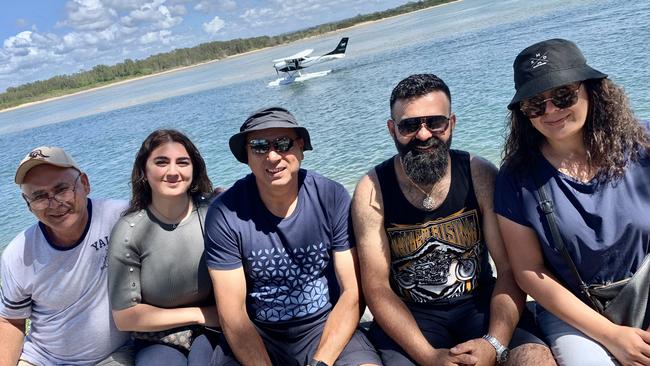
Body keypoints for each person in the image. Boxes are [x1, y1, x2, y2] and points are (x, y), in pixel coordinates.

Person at [351, 74, 555, 366]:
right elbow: (377, 288)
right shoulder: (372, 190)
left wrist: (493, 344)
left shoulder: (479, 174)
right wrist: (428, 356)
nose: (423, 135)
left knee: (535, 358)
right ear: (392, 130)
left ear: (451, 124)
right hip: (412, 317)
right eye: (409, 125)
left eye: (435, 122)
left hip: (480, 305)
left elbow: (509, 268)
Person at [495, 38, 650, 366]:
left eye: (563, 95)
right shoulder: (517, 178)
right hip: (575, 309)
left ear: (592, 90)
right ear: (524, 113)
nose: (551, 111)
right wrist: (612, 336)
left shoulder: (642, 145)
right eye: (536, 103)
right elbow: (528, 270)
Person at [204, 107, 381, 366]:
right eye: (260, 146)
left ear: (300, 148)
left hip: (326, 326)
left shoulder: (331, 196)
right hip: (259, 333)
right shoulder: (225, 213)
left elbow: (351, 292)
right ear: (247, 156)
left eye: (283, 143)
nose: (273, 156)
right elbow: (233, 314)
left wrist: (321, 362)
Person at [0, 146, 133, 366]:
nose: (54, 203)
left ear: (85, 184)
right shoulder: (18, 254)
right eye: (40, 196)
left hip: (115, 355)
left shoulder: (120, 218)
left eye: (62, 189)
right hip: (42, 359)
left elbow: (171, 214)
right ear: (28, 204)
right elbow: (10, 322)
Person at [108, 129, 220, 366]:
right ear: (144, 171)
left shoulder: (215, 212)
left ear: (194, 169)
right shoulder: (128, 231)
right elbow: (125, 317)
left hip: (215, 330)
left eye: (182, 162)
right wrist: (201, 314)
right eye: (161, 162)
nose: (173, 171)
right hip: (157, 338)